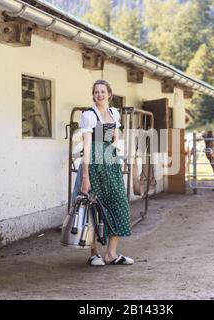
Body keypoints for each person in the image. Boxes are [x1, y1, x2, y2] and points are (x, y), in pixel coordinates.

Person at [79, 79, 134, 266]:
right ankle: (94, 253)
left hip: (110, 162)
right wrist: (85, 176)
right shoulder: (89, 115)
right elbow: (86, 146)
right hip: (95, 164)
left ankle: (111, 254)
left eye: (103, 92)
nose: (99, 95)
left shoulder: (114, 113)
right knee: (95, 207)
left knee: (119, 203)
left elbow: (114, 139)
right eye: (96, 92)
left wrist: (114, 146)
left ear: (109, 94)